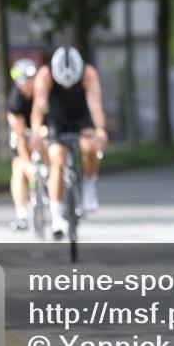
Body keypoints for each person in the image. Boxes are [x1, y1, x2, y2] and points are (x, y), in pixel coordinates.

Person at [31, 46, 108, 239]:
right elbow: (39, 106)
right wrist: (36, 132)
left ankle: (89, 186)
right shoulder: (45, 75)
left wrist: (100, 129)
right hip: (57, 119)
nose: (66, 87)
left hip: (81, 116)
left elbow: (95, 104)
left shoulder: (88, 74)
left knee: (89, 147)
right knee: (57, 158)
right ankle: (57, 217)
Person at [7, 58, 39, 231]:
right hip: (22, 132)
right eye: (28, 79)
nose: (32, 83)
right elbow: (20, 136)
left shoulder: (42, 93)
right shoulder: (15, 100)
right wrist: (28, 164)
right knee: (19, 168)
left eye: (34, 78)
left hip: (40, 131)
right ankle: (22, 214)